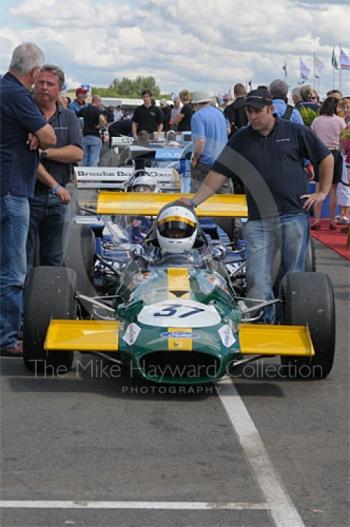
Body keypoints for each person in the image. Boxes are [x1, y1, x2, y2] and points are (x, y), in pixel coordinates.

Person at [181, 88, 333, 323]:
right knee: (256, 275)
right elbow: (219, 173)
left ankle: (290, 318)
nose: (252, 116)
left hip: (293, 214)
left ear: (271, 110)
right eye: (249, 112)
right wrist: (193, 201)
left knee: (293, 274)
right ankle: (265, 321)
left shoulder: (295, 131)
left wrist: (322, 192)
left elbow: (326, 157)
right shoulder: (242, 137)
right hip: (259, 220)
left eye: (257, 111)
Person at [0, 42, 57, 356]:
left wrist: (35, 133)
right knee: (13, 270)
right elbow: (49, 136)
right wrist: (37, 133)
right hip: (12, 190)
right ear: (34, 72)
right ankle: (8, 338)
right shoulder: (18, 95)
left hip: (7, 185)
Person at [26, 64, 84, 271]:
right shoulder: (25, 112)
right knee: (22, 260)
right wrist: (54, 185)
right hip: (28, 195)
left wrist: (44, 153)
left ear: (59, 88)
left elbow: (77, 153)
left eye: (49, 84)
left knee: (54, 259)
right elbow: (25, 160)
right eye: (40, 82)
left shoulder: (68, 117)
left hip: (59, 199)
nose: (43, 87)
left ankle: (49, 301)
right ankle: (21, 303)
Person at [311, 96, 346, 230]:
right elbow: (343, 140)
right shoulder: (340, 121)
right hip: (335, 153)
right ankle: (331, 220)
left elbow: (312, 137)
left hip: (320, 153)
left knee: (318, 188)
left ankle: (317, 219)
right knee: (333, 190)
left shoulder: (316, 121)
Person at [190, 91, 230, 192]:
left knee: (198, 197)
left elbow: (200, 141)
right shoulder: (220, 113)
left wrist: (195, 159)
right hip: (223, 160)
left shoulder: (197, 116)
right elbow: (228, 131)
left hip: (206, 163)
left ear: (195, 104)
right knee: (224, 198)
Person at [78, 95, 106, 166]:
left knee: (85, 158)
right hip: (95, 136)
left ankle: (84, 175)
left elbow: (75, 116)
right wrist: (99, 126)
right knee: (94, 159)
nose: (101, 104)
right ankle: (91, 176)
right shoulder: (97, 110)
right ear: (97, 101)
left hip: (85, 136)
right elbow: (103, 120)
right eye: (100, 102)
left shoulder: (85, 109)